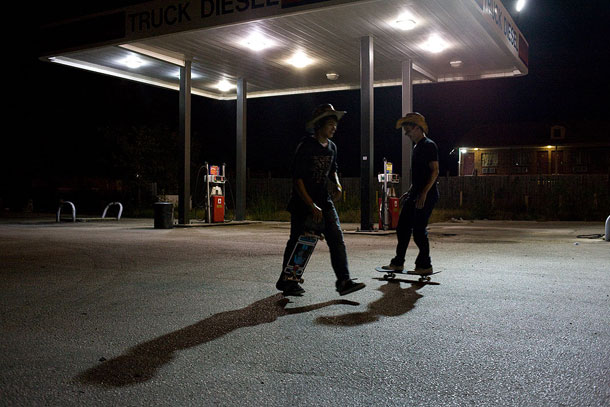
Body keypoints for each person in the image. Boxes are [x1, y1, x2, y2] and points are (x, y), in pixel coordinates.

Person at [276, 104, 365, 296]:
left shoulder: (332, 147)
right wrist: (310, 205)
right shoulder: (306, 146)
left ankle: (344, 281)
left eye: (335, 124)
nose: (334, 128)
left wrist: (338, 185)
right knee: (299, 242)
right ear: (320, 125)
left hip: (325, 201)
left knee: (337, 240)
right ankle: (288, 281)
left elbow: (333, 170)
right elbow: (297, 179)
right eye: (331, 124)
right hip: (302, 203)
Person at [382, 112, 439, 274]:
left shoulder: (429, 145)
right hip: (414, 193)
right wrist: (410, 192)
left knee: (419, 230)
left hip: (427, 194)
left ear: (417, 127)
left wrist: (424, 193)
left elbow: (434, 171)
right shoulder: (417, 147)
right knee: (402, 228)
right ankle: (398, 262)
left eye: (408, 129)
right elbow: (419, 175)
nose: (406, 133)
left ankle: (425, 265)